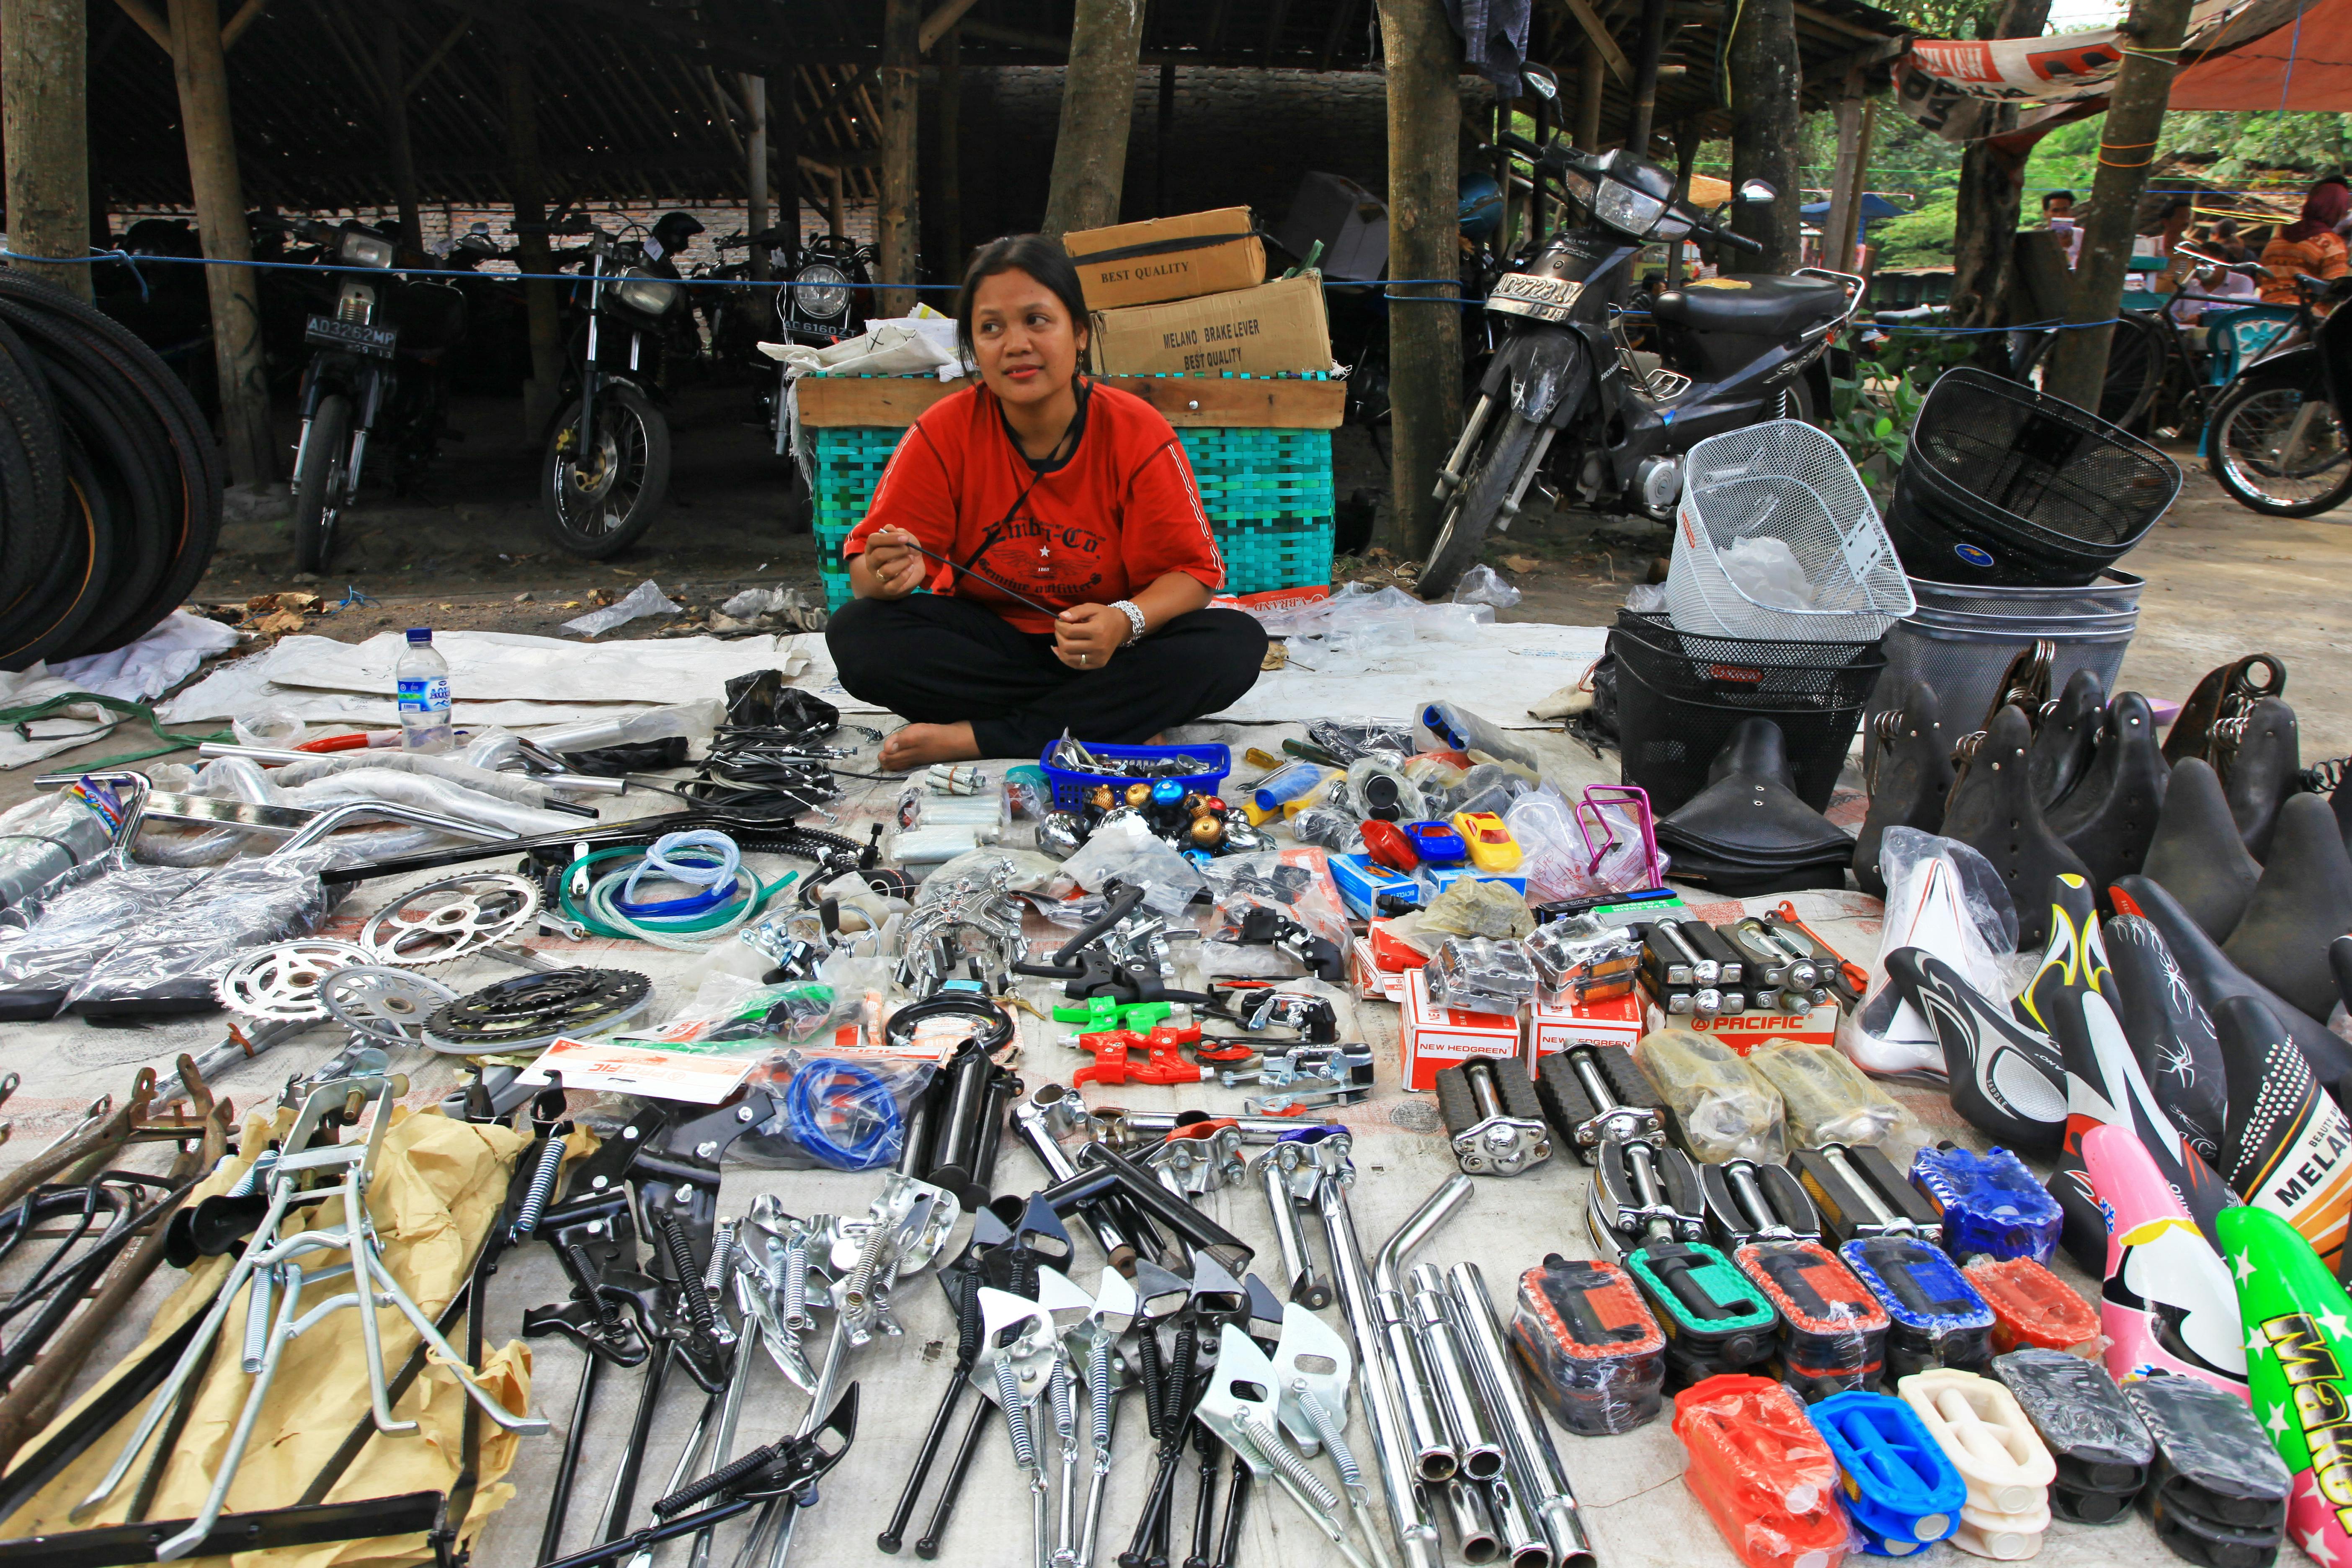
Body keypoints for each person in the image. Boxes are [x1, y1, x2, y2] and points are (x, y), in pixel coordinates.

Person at [827, 234, 1269, 770]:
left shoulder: (1136, 430)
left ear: (1079, 333)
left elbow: (1195, 575)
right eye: (991, 328)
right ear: (973, 346)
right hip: (992, 649)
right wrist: (887, 571)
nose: (1015, 344)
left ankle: (981, 737)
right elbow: (866, 577)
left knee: (1235, 643)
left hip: (1110, 650)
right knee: (857, 634)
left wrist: (1124, 620)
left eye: (1037, 320)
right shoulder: (943, 431)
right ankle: (1108, 720)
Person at [2259, 178, 2350, 306]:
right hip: (2304, 313)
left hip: (2268, 309)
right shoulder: (2332, 243)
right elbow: (2334, 292)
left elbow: (2261, 277)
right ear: (2337, 210)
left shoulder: (2277, 239)